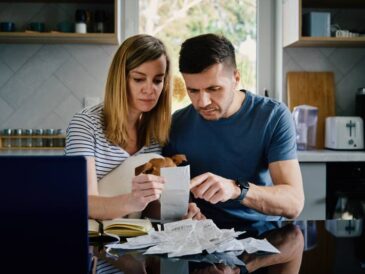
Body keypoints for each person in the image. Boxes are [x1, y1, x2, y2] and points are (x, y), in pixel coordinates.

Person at [163, 33, 304, 223]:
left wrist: (237, 189)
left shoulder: (273, 116)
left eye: (214, 89)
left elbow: (294, 204)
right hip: (201, 237)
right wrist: (183, 209)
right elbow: (172, 195)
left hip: (262, 235)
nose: (203, 102)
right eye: (193, 90)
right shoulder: (177, 124)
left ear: (236, 78)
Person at [65, 34, 203, 220]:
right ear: (121, 79)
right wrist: (131, 201)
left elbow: (146, 207)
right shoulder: (85, 124)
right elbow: (80, 203)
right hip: (93, 237)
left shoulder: (155, 133)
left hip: (134, 237)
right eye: (139, 79)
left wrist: (178, 212)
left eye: (157, 80)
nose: (149, 89)